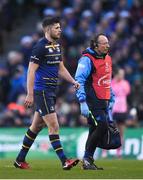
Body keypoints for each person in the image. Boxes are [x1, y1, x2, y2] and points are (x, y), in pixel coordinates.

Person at [14, 16, 80, 170]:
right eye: (57, 27)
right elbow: (31, 71)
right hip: (42, 91)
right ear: (48, 29)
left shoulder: (56, 46)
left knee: (36, 127)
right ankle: (64, 161)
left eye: (60, 27)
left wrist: (73, 81)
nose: (60, 30)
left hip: (51, 91)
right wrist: (30, 94)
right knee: (54, 126)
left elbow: (61, 68)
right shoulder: (39, 47)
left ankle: (19, 160)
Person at [75, 33, 115, 170]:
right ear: (96, 45)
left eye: (108, 43)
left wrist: (111, 97)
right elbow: (78, 80)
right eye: (104, 43)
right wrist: (82, 101)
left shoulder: (108, 59)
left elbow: (107, 80)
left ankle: (87, 162)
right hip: (91, 100)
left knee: (94, 129)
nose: (107, 45)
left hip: (103, 100)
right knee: (102, 126)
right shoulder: (87, 59)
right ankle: (87, 159)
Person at [111, 68, 131, 157]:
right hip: (114, 110)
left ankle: (119, 152)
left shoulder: (125, 83)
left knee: (121, 132)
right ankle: (104, 151)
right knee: (111, 131)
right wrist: (115, 81)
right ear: (117, 74)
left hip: (122, 110)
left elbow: (126, 92)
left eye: (123, 74)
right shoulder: (112, 83)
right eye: (120, 74)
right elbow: (110, 92)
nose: (122, 75)